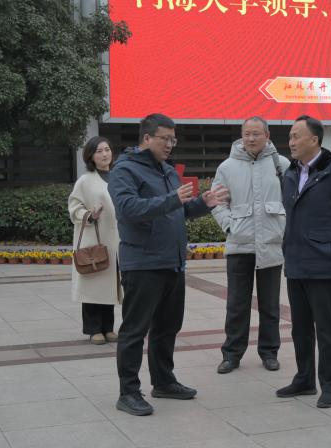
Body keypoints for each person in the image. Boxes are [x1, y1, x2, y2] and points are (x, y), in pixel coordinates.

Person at [108, 113, 229, 416]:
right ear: (147, 138)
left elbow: (177, 211)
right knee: (135, 330)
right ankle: (128, 392)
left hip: (172, 263)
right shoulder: (125, 169)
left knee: (167, 327)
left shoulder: (166, 170)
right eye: (165, 139)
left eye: (173, 140)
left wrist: (203, 203)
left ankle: (163, 381)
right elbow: (128, 209)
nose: (170, 145)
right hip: (143, 264)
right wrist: (173, 199)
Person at [276, 115, 331, 409]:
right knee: (300, 327)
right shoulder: (291, 172)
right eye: (290, 136)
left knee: (326, 328)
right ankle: (304, 379)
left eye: (296, 136)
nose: (291, 142)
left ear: (314, 140)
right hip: (296, 261)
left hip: (323, 263)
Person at [211, 117, 290, 374]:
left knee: (270, 306)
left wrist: (284, 228)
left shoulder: (282, 164)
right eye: (247, 134)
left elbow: (293, 201)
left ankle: (269, 352)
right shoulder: (227, 167)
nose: (251, 138)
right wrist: (229, 226)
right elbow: (217, 202)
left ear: (267, 136)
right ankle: (231, 354)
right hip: (239, 245)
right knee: (236, 305)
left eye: (256, 133)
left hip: (271, 244)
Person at [68, 136, 122, 345]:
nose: (105, 154)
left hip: (115, 240)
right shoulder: (85, 180)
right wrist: (89, 215)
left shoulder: (118, 177)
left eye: (107, 149)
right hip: (94, 238)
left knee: (108, 285)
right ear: (91, 156)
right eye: (99, 151)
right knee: (94, 283)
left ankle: (108, 328)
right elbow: (74, 207)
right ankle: (93, 329)